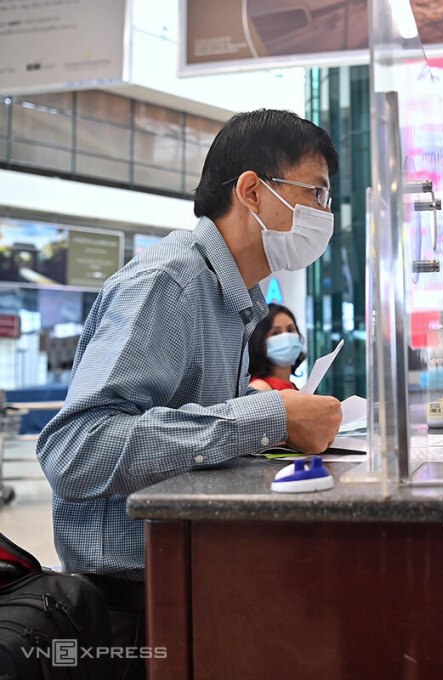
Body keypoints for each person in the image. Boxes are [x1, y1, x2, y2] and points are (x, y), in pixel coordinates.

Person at [36, 109, 345, 680]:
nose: (325, 215)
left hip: (193, 583)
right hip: (132, 612)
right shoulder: (170, 284)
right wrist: (268, 414)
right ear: (252, 190)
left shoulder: (234, 299)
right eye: (317, 194)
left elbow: (189, 428)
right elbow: (75, 451)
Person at [248, 303, 306, 391]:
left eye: (290, 330)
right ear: (259, 341)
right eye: (276, 333)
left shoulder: (292, 386)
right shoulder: (259, 387)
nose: (286, 337)